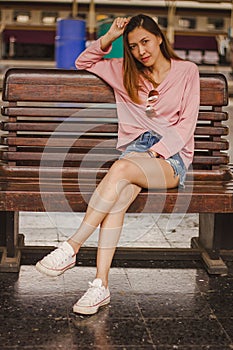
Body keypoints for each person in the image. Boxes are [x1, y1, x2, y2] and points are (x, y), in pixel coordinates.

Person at [36, 14, 200, 315]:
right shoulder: (122, 71)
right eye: (134, 45)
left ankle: (71, 246)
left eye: (146, 42)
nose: (141, 51)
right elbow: (82, 62)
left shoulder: (187, 71)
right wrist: (111, 35)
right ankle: (100, 285)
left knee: (121, 169)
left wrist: (154, 154)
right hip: (136, 152)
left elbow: (186, 127)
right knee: (117, 200)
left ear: (159, 38)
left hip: (171, 158)